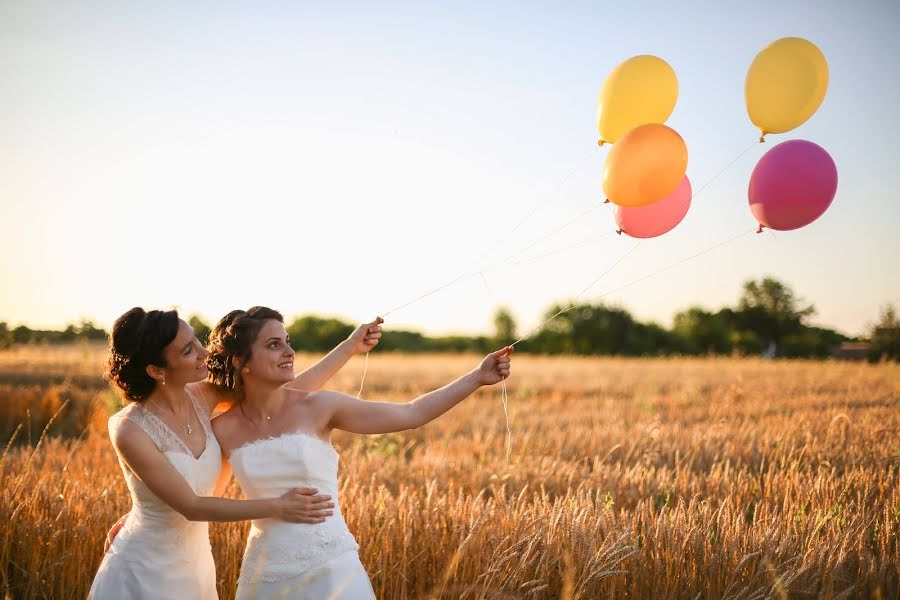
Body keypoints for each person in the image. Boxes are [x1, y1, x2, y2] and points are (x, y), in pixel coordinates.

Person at [207, 306, 513, 599]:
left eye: (288, 342)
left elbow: (411, 413)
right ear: (240, 361)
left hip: (330, 565)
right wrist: (273, 507)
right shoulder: (223, 427)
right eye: (274, 345)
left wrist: (475, 378)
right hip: (265, 571)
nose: (289, 352)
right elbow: (208, 502)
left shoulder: (319, 406)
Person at [89, 307, 382, 599]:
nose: (205, 353)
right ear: (156, 370)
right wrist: (277, 506)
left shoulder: (205, 396)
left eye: (197, 340)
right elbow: (191, 506)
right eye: (189, 350)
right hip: (142, 568)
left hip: (196, 564)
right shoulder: (129, 430)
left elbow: (284, 395)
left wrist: (349, 347)